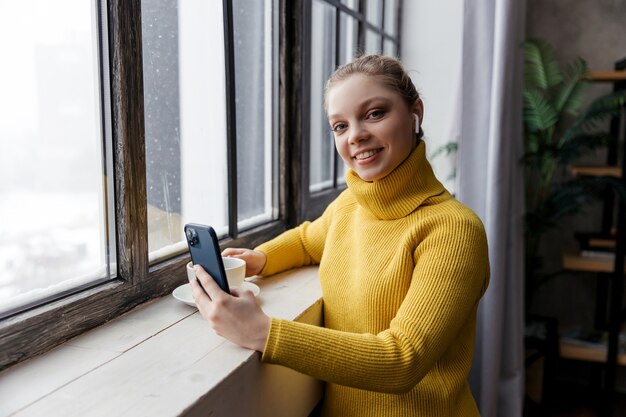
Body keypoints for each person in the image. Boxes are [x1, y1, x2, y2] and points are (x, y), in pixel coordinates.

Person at [189, 54, 490, 417]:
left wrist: (261, 332)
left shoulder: (454, 230)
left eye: (375, 113)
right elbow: (306, 240)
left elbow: (402, 361)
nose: (356, 135)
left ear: (416, 113)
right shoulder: (351, 204)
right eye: (340, 126)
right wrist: (260, 258)